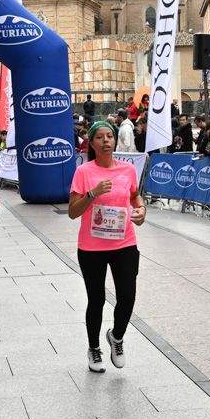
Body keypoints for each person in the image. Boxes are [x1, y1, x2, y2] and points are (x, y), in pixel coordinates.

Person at [67, 121, 146, 373]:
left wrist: (141, 209)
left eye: (109, 136)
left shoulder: (128, 169)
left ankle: (117, 337)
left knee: (127, 297)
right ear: (91, 143)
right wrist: (92, 194)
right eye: (100, 137)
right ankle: (94, 348)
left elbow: (134, 196)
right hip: (92, 248)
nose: (106, 141)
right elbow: (72, 212)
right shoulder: (84, 172)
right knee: (96, 300)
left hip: (124, 243)